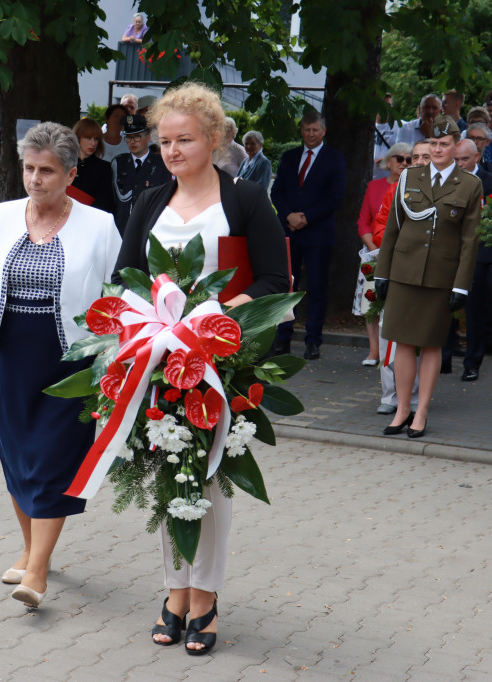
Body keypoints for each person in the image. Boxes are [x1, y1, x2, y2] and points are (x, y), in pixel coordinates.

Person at [114, 82, 288, 655]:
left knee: (209, 481)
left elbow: (273, 281)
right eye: (164, 140)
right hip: (158, 361)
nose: (170, 150)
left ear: (213, 139)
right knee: (170, 476)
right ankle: (174, 591)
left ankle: (204, 597)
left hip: (220, 362)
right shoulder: (147, 202)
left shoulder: (245, 201)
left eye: (183, 139)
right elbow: (125, 280)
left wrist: (222, 315)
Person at [0, 122, 121, 610]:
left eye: (47, 171)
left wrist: (116, 362)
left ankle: (37, 572)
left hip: (71, 357)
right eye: (29, 169)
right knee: (17, 454)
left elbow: (118, 298)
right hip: (12, 353)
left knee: (52, 458)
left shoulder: (100, 225)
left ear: (70, 173)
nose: (36, 179)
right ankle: (29, 548)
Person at [374, 116, 482, 439]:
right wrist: (382, 273)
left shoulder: (469, 185)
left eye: (443, 144)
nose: (436, 149)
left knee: (432, 344)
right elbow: (392, 229)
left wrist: (461, 285)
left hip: (440, 276)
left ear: (456, 146)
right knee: (403, 342)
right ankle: (403, 409)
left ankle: (421, 412)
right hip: (404, 272)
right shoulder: (409, 177)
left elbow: (469, 240)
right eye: (432, 144)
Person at [270, 108, 347, 360]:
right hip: (290, 232)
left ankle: (313, 341)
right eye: (306, 129)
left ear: (323, 131)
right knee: (287, 286)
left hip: (318, 234)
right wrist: (289, 215)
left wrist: (307, 217)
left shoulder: (334, 159)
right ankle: (282, 338)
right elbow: (277, 192)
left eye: (315, 130)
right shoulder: (290, 157)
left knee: (316, 288)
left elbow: (335, 198)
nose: (311, 134)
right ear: (301, 130)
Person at [445, 139, 492, 382]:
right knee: (445, 308)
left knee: (475, 313)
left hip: (478, 256)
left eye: (464, 159)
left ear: (477, 157)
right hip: (449, 254)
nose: (460, 164)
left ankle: (472, 363)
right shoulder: (448, 179)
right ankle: (443, 358)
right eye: (457, 159)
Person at [372, 140, 429, 415]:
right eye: (413, 157)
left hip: (428, 275)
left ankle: (415, 399)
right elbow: (380, 228)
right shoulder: (395, 189)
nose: (416, 162)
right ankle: (389, 395)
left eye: (423, 157)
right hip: (396, 269)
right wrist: (400, 245)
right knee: (389, 335)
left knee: (417, 336)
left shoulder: (444, 192)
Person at [356, 142, 411, 366]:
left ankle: (396, 351)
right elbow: (363, 222)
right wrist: (374, 250)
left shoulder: (413, 187)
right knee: (372, 302)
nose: (405, 163)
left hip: (400, 254)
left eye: (409, 160)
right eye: (400, 159)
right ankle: (373, 352)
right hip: (374, 252)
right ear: (389, 162)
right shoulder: (374, 186)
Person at [110, 113, 170, 234]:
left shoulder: (162, 164)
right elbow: (112, 200)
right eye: (128, 137)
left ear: (148, 138)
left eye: (137, 136)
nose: (132, 141)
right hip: (122, 230)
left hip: (150, 229)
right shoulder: (118, 163)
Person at [68, 117, 114, 213]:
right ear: (77, 137)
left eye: (96, 139)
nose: (93, 143)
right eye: (88, 138)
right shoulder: (64, 164)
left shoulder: (104, 168)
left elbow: (105, 203)